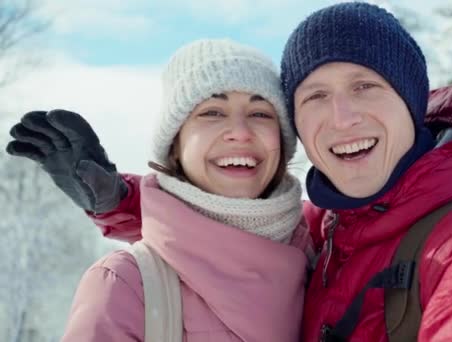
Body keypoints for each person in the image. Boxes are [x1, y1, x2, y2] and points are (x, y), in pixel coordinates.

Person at [7, 3, 452, 341]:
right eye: (315, 95)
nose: (341, 117)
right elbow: (230, 230)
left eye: (365, 86)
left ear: (412, 104)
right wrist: (120, 199)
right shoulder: (329, 230)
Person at [7, 39, 314, 341]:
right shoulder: (126, 286)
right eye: (212, 113)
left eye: (260, 114)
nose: (240, 133)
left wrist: (125, 203)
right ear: (175, 146)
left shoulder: (325, 251)